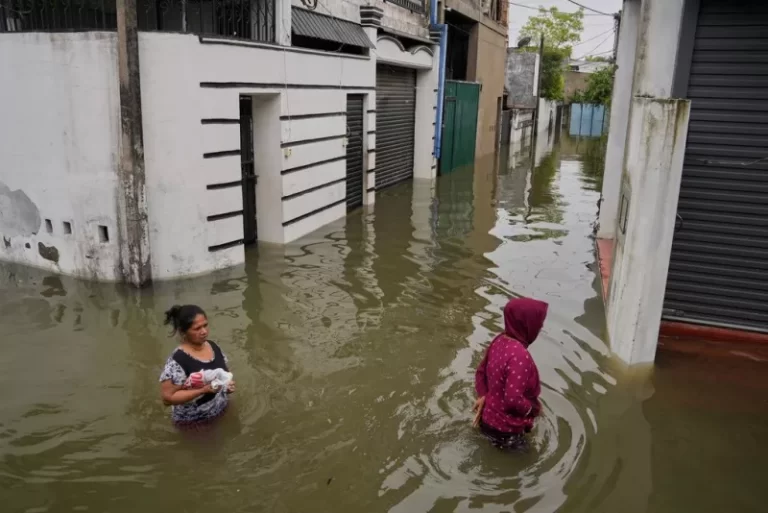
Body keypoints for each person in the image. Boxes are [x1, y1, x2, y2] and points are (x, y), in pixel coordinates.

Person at [473, 297, 548, 449]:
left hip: (487, 420)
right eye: (538, 324)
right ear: (527, 324)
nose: (539, 328)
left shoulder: (500, 339)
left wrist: (483, 395)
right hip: (507, 431)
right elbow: (513, 400)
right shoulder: (519, 356)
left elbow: (481, 371)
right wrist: (533, 410)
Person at [159, 304, 235, 426]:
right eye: (197, 328)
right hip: (194, 422)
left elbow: (225, 372)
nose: (204, 331)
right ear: (184, 332)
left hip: (221, 410)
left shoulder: (214, 347)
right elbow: (167, 398)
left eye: (205, 325)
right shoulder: (178, 361)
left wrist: (228, 385)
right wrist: (203, 390)